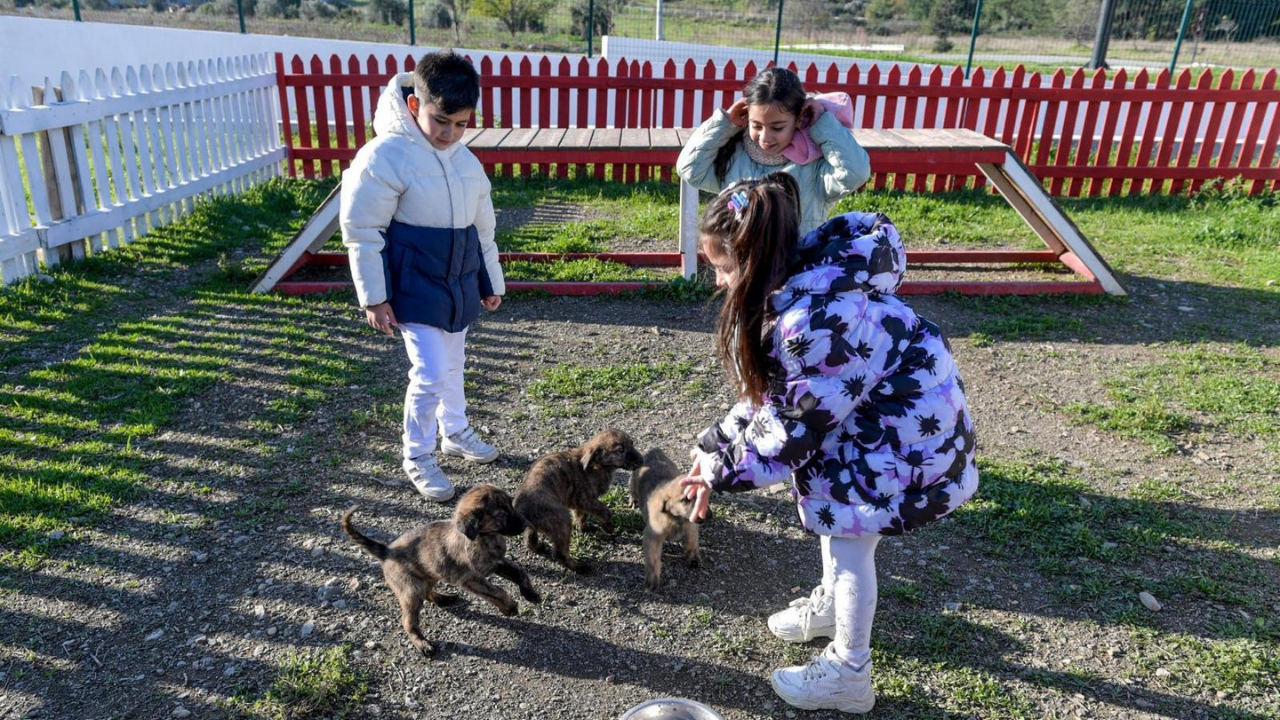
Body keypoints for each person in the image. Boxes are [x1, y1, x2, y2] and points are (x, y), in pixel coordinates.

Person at [680, 173, 979, 713]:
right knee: (836, 526)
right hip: (881, 429)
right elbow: (776, 395)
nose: (721, 283)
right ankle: (830, 611)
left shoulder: (815, 321)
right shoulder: (804, 286)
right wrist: (715, 441)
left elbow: (789, 435)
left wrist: (719, 472)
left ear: (754, 260)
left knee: (849, 548)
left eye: (724, 269)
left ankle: (849, 672)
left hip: (897, 446)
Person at [340, 51, 504, 503]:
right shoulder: (383, 157)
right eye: (440, 121)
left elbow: (483, 227)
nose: (450, 133)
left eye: (461, 124)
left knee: (453, 365)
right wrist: (374, 297)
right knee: (430, 371)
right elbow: (362, 231)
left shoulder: (465, 161)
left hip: (458, 284)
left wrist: (490, 282)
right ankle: (418, 454)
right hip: (413, 286)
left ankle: (455, 431)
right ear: (415, 106)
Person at [675, 67, 871, 237]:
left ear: (800, 117)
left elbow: (856, 173)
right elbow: (690, 169)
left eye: (777, 128)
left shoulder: (813, 166)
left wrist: (823, 123)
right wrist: (724, 124)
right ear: (746, 114)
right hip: (743, 269)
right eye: (756, 125)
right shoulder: (734, 155)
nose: (765, 137)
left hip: (797, 269)